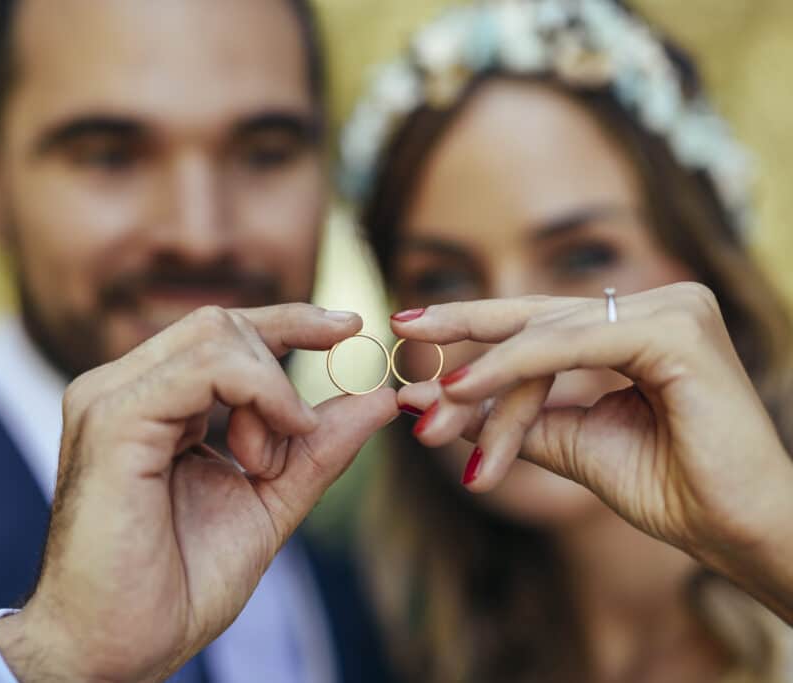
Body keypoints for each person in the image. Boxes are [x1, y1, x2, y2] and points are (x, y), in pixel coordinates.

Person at [0, 1, 396, 682]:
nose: (198, 233)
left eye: (265, 153)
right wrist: (47, 661)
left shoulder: (368, 600)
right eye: (109, 155)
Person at [339, 0, 793, 680]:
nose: (515, 332)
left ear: (708, 279)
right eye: (444, 276)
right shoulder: (375, 647)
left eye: (583, 257)